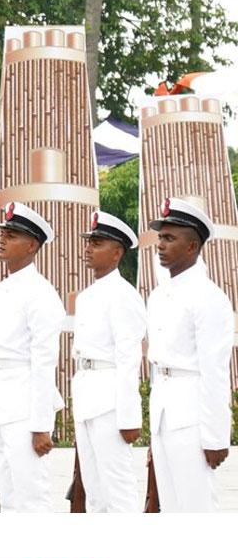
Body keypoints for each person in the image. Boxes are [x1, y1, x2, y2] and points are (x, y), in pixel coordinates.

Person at [146, 197, 234, 512]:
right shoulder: (159, 295)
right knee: (171, 509)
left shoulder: (209, 297)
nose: (160, 245)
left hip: (192, 417)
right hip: (163, 413)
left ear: (192, 246)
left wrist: (215, 437)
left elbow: (215, 372)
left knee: (196, 509)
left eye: (170, 238)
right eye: (160, 237)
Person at [0, 201, 65, 512]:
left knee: (31, 496)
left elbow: (44, 361)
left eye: (12, 235)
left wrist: (41, 424)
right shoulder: (2, 289)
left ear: (32, 246)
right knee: (8, 496)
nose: (2, 239)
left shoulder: (41, 293)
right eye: (3, 233)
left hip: (23, 402)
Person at [71, 210, 145, 513]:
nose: (88, 248)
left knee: (118, 489)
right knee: (94, 490)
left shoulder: (124, 296)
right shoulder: (87, 296)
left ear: (117, 253)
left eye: (97, 243)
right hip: (86, 394)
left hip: (110, 401)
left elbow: (129, 359)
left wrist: (129, 418)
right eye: (89, 242)